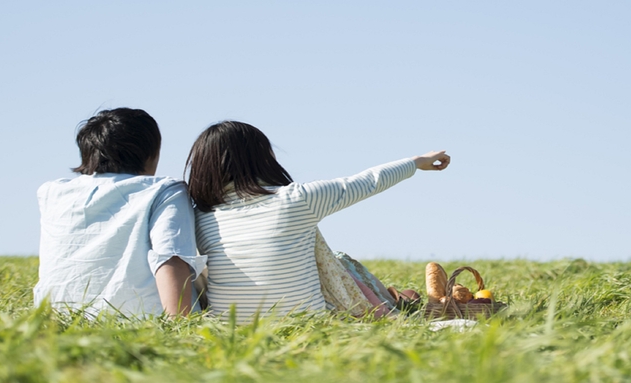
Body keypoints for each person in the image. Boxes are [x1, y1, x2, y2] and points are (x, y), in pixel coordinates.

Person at [185, 121, 450, 323]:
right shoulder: (297, 199)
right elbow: (370, 181)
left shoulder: (200, 217)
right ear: (262, 159)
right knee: (340, 260)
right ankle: (392, 301)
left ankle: (396, 299)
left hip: (230, 328)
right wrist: (417, 162)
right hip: (307, 321)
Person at [34, 108, 205, 318]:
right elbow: (171, 257)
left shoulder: (51, 192)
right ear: (151, 154)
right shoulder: (163, 190)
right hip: (141, 319)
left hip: (56, 318)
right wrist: (179, 324)